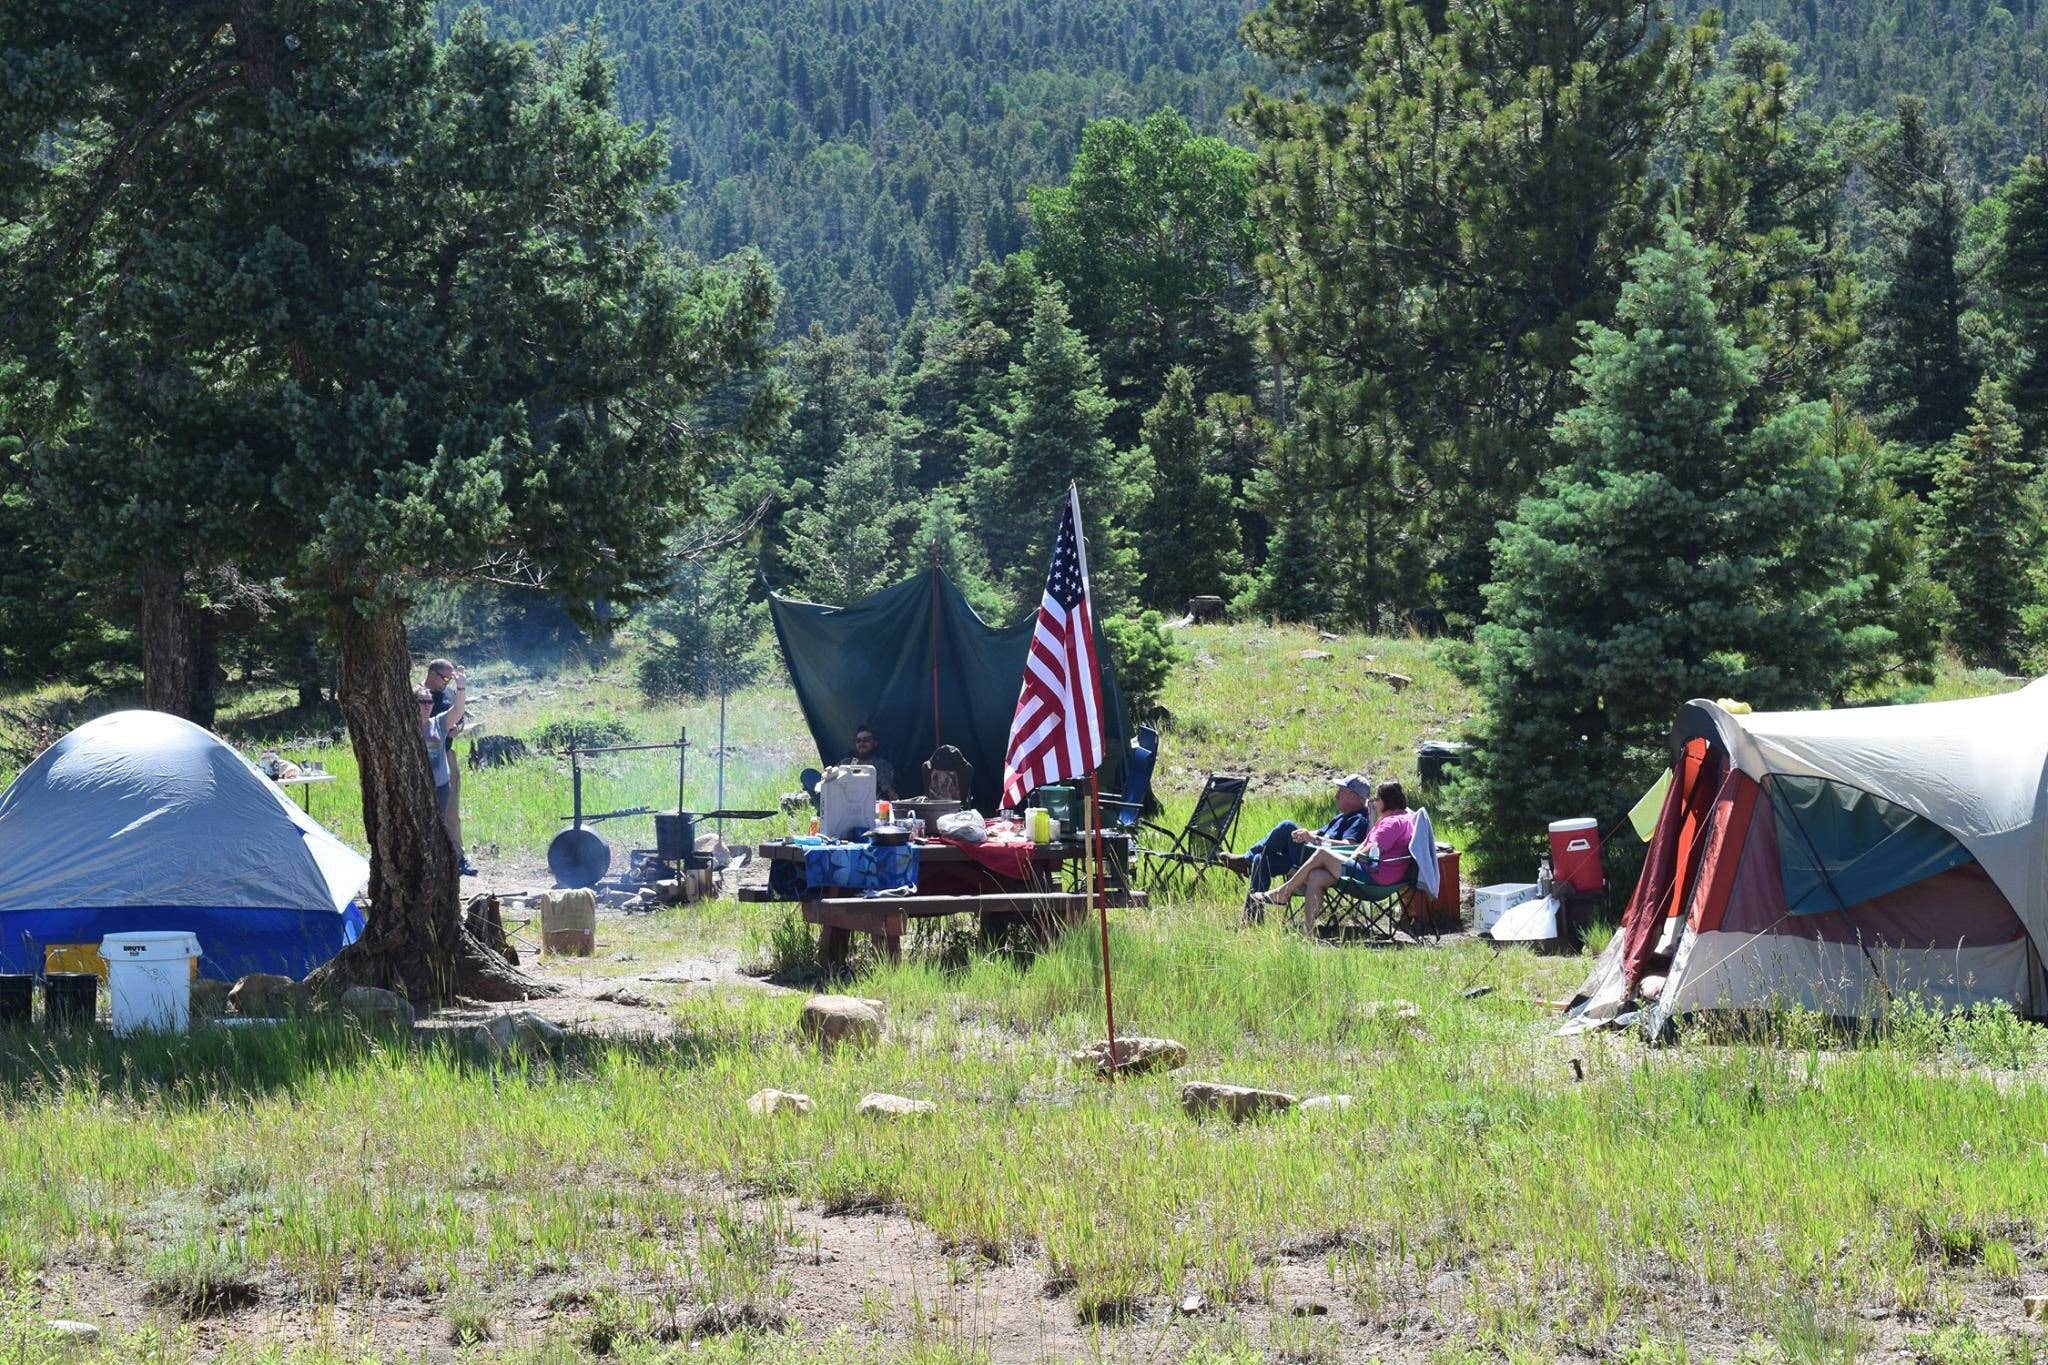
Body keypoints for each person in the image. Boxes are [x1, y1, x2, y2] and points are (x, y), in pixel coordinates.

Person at [1249, 781, 1418, 936]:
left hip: (1374, 877)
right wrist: (1346, 857)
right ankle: (1308, 932)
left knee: (1322, 853)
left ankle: (1283, 893)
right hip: (1380, 873)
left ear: (1386, 801)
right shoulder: (1403, 818)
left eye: (1377, 798)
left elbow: (1369, 851)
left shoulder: (1392, 822)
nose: (1373, 802)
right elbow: (1363, 848)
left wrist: (1344, 857)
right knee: (1316, 875)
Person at [1233, 774, 1374, 915]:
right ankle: (1252, 917)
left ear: (1352, 795)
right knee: (1261, 859)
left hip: (1319, 863)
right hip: (1305, 858)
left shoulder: (1358, 819)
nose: (1336, 795)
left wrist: (1312, 838)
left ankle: (1245, 861)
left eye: (1341, 791)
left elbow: (1347, 846)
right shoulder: (1341, 817)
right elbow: (1318, 833)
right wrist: (1301, 834)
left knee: (1287, 826)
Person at [424, 659, 477, 875]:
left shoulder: (447, 694)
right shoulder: (419, 695)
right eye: (444, 678)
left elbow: (459, 715)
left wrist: (458, 728)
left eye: (449, 679)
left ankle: (458, 856)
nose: (446, 683)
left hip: (445, 754)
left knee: (451, 808)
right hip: (421, 756)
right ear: (432, 673)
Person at [416, 677, 467, 863]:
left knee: (441, 826)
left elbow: (458, 711)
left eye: (430, 702)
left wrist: (460, 686)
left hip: (440, 786)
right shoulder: (405, 728)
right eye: (422, 701)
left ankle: (444, 863)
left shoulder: (437, 722)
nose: (427, 705)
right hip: (418, 788)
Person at [842, 724, 898, 801]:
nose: (861, 743)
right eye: (858, 741)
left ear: (875, 743)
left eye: (866, 740)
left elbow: (890, 793)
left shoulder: (881, 765)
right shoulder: (847, 763)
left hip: (872, 807)